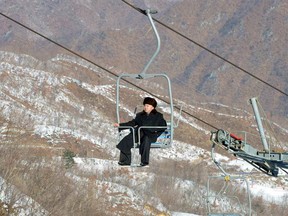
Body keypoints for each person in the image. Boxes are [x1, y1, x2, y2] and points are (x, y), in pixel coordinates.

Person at [114, 97, 167, 167]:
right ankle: (125, 161)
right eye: (145, 105)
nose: (145, 107)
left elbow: (163, 127)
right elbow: (132, 123)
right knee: (125, 141)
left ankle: (144, 161)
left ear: (152, 107)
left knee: (146, 141)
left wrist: (155, 133)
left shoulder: (158, 116)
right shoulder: (140, 115)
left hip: (149, 135)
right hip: (138, 134)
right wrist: (120, 125)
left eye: (147, 106)